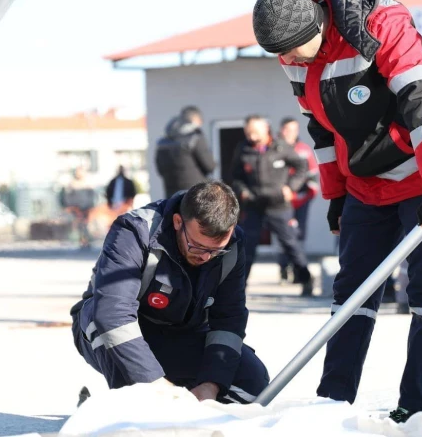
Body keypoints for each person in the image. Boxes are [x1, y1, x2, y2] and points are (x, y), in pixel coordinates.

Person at [252, 0, 422, 422]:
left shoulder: (382, 24)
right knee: (351, 294)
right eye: (279, 54)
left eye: (291, 50)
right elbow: (320, 128)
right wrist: (335, 194)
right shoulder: (292, 52)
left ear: (316, 26)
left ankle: (415, 409)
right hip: (365, 184)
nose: (286, 60)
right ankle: (332, 403)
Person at [70, 181, 269, 404]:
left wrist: (211, 385)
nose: (206, 257)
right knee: (104, 325)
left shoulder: (233, 245)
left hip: (181, 334)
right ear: (177, 222)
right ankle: (118, 409)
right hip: (124, 332)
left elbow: (229, 319)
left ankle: (179, 405)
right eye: (197, 246)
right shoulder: (135, 231)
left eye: (215, 251)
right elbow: (112, 313)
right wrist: (154, 384)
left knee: (253, 384)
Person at [230, 115, 314, 296]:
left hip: (279, 206)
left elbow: (302, 166)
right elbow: (235, 177)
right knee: (246, 246)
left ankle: (306, 280)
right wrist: (243, 191)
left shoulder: (280, 147)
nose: (251, 136)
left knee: (291, 244)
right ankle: (239, 289)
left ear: (265, 129)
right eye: (248, 132)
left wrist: (291, 187)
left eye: (255, 132)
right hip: (254, 205)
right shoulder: (243, 148)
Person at [277, 117, 319, 283]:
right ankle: (283, 269)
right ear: (281, 130)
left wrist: (309, 195)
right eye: (288, 130)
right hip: (281, 203)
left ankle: (299, 273)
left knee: (299, 236)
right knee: (284, 236)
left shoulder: (304, 150)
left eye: (294, 130)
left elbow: (312, 176)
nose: (291, 133)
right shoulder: (276, 149)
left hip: (301, 202)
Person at [155, 106, 216, 197]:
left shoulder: (163, 142)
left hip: (171, 194)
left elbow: (160, 169)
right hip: (195, 193)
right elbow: (210, 166)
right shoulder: (195, 138)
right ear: (196, 119)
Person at [62, 166, 96, 248]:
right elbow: (68, 197)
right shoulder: (72, 184)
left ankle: (87, 239)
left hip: (86, 207)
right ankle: (82, 239)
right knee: (80, 224)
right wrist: (71, 206)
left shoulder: (87, 183)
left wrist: (91, 205)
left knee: (86, 224)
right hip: (76, 208)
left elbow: (92, 195)